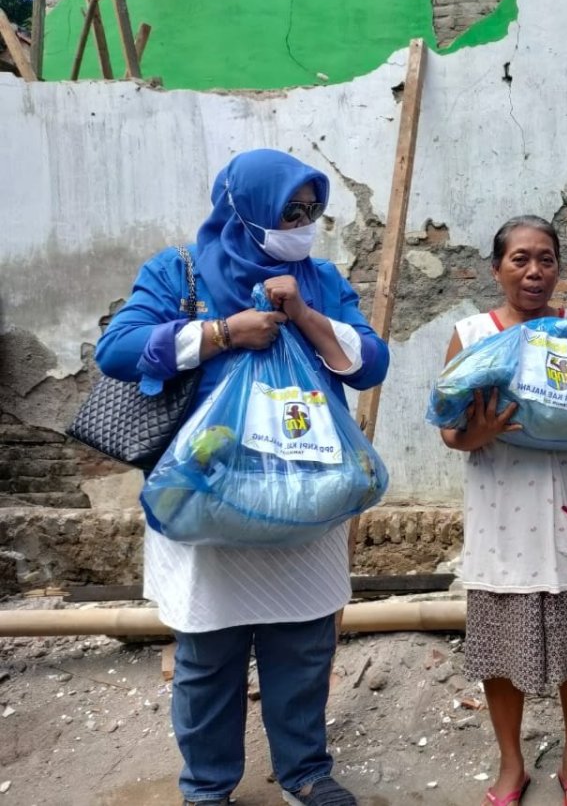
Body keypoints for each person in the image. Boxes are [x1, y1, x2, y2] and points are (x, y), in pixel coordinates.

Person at [95, 149, 389, 806]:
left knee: (306, 647)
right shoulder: (181, 271)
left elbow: (371, 365)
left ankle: (305, 772)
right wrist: (223, 332)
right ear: (245, 208)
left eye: (312, 212)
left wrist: (309, 318)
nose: (304, 225)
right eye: (291, 212)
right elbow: (116, 350)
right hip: (209, 500)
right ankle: (207, 787)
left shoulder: (321, 278)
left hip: (305, 495)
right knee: (207, 660)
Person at [438, 215, 567, 806]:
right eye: (520, 258)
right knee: (500, 652)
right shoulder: (472, 334)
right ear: (496, 267)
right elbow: (450, 432)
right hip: (501, 510)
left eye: (546, 259)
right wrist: (478, 434)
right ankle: (511, 765)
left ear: (559, 267)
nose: (534, 271)